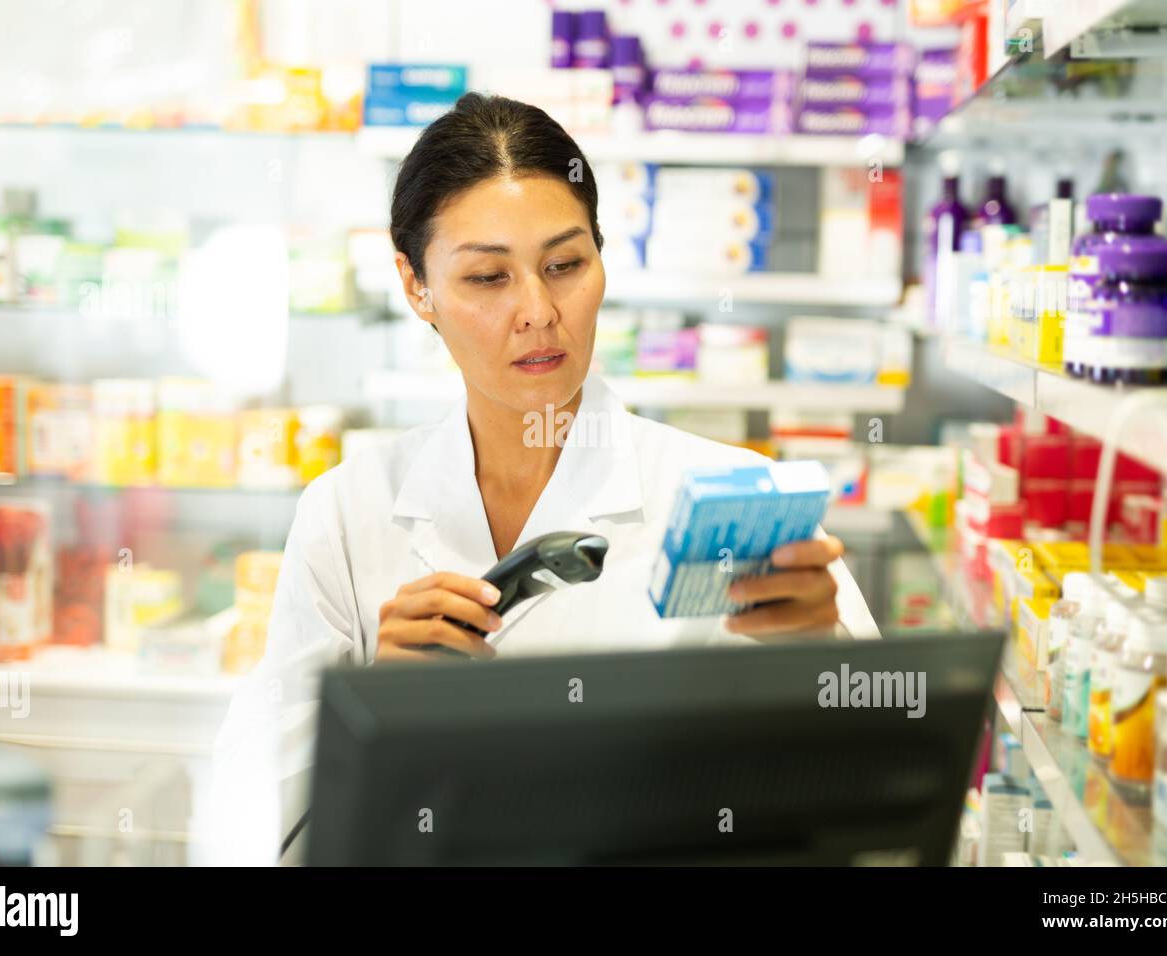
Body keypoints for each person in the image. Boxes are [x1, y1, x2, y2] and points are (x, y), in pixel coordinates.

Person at [211, 94, 878, 852]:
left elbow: (879, 782)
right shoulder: (347, 512)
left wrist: (821, 647)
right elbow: (246, 813)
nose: (537, 311)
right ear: (415, 286)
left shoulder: (732, 501)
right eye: (488, 278)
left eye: (565, 265)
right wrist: (367, 706)